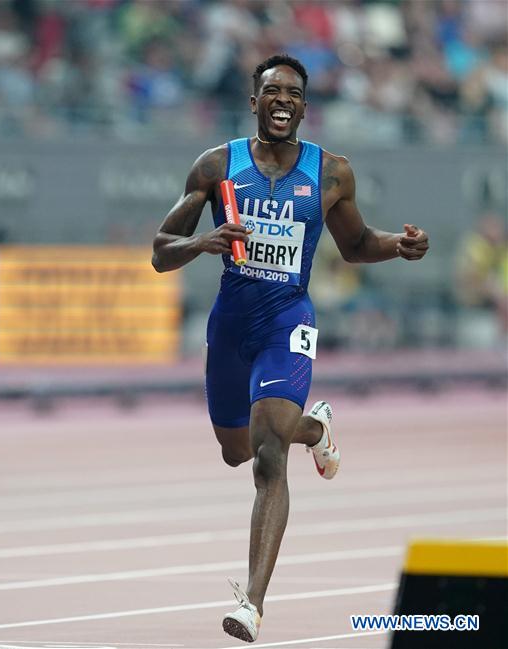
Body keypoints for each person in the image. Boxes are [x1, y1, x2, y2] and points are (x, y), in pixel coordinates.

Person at [150, 54, 429, 643]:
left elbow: (355, 245)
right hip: (231, 323)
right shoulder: (215, 166)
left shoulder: (330, 174)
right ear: (254, 103)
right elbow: (160, 250)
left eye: (293, 93)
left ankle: (252, 603)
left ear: (304, 106)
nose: (282, 100)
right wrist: (204, 241)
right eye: (271, 91)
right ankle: (316, 426)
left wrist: (396, 246)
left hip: (288, 319)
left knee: (268, 454)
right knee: (236, 450)